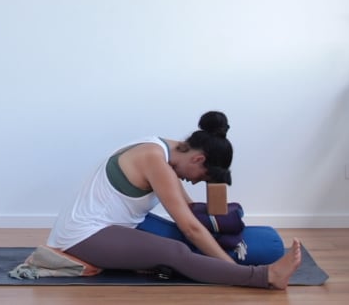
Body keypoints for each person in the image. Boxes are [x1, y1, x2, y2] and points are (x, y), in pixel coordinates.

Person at [46, 110, 302, 289]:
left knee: (182, 240)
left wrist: (224, 224)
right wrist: (232, 268)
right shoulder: (155, 160)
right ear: (198, 159)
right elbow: (190, 228)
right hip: (83, 235)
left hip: (118, 225)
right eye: (203, 176)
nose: (197, 182)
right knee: (174, 251)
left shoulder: (162, 149)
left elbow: (190, 210)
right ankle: (266, 277)